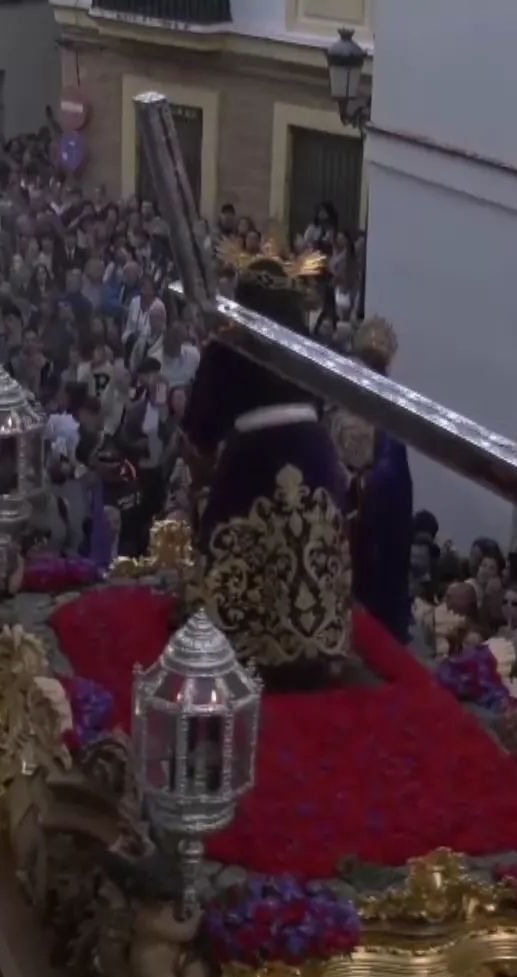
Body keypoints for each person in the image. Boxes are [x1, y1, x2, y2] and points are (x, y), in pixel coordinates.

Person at [180, 240, 353, 690]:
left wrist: (198, 485)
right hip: (315, 454)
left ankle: (239, 644)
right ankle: (316, 645)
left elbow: (198, 432)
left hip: (254, 454)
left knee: (235, 547)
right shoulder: (311, 344)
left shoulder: (227, 345)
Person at [341, 317, 414, 641]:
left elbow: (391, 476)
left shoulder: (387, 417)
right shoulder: (341, 407)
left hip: (367, 521)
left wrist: (359, 485)